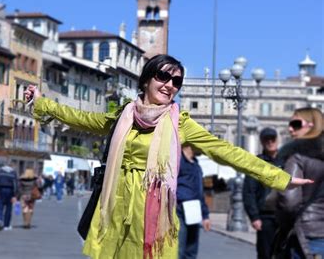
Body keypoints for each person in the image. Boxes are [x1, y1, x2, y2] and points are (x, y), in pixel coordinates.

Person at [24, 54, 312, 259]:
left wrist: (280, 178)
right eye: (163, 76)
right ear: (147, 79)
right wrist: (42, 102)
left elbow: (226, 151)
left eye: (176, 81)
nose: (169, 85)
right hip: (113, 205)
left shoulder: (179, 122)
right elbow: (82, 118)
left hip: (152, 208)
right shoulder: (124, 113)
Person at [275, 107, 324, 259]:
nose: (290, 129)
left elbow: (289, 201)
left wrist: (283, 225)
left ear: (312, 124)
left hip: (309, 232)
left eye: (296, 124)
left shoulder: (297, 156)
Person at [243, 127, 281, 259]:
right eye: (266, 139)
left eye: (272, 139)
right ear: (262, 142)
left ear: (277, 140)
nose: (270, 142)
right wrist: (254, 217)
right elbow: (249, 192)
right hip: (265, 217)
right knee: (265, 253)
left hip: (284, 216)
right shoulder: (256, 163)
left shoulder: (286, 161)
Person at [176, 145, 211, 259]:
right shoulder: (177, 160)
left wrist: (205, 216)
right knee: (178, 250)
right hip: (179, 210)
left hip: (194, 211)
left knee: (191, 251)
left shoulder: (196, 164)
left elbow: (200, 192)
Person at [0, 164, 18, 231]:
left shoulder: (0, 171)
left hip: (1, 190)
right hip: (10, 190)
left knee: (0, 207)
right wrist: (14, 195)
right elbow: (15, 184)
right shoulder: (13, 172)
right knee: (8, 208)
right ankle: (6, 225)